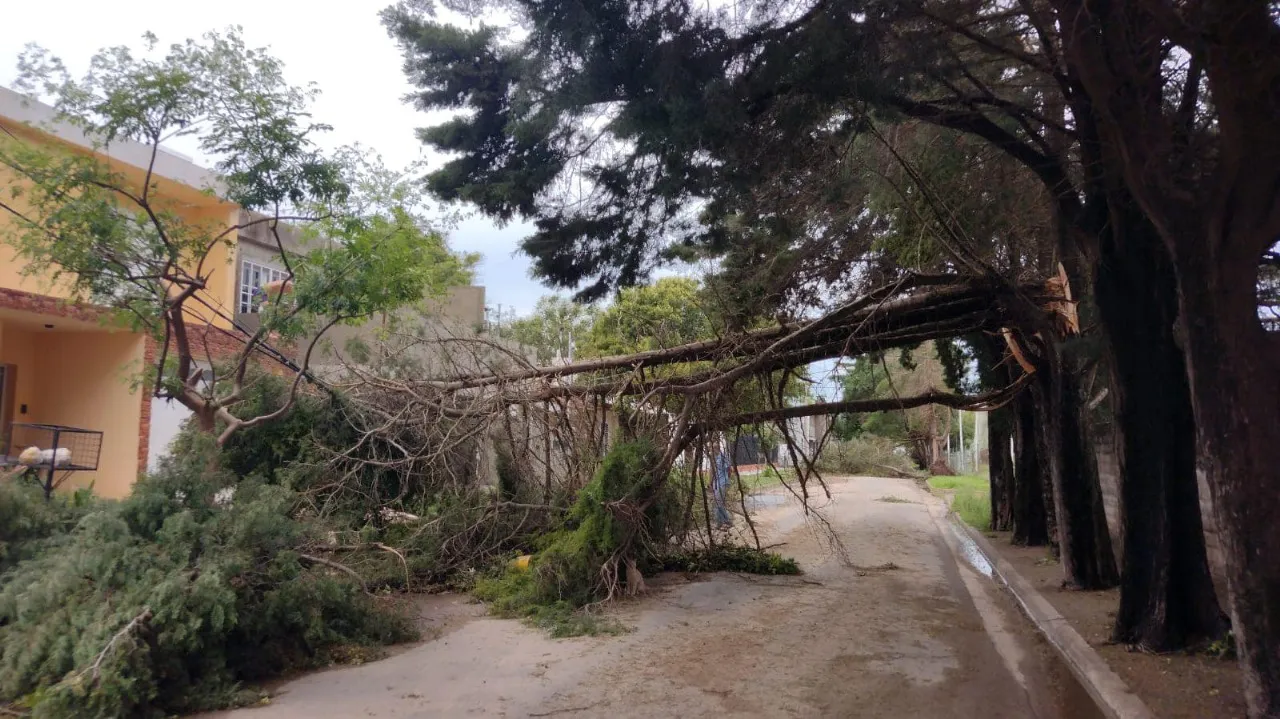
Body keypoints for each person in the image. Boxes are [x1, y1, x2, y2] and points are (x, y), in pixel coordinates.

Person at [712, 442, 733, 527]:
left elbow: (729, 469)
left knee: (718, 502)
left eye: (711, 449)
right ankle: (723, 521)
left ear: (715, 449)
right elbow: (712, 471)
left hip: (723, 482)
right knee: (719, 503)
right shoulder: (714, 458)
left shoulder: (723, 457)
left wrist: (726, 479)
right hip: (716, 483)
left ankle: (724, 521)